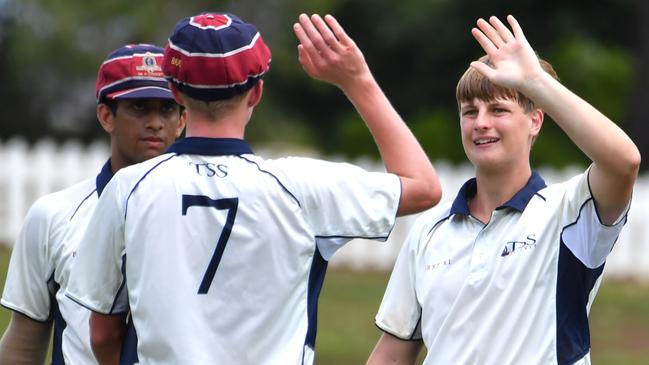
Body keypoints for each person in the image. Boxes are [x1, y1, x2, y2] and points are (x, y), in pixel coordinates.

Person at [64, 12, 441, 365]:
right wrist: (357, 81)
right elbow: (424, 187)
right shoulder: (300, 188)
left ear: (176, 94)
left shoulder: (128, 189)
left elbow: (102, 335)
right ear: (256, 93)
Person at [367, 14, 641, 365]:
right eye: (470, 111)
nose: (481, 122)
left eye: (498, 109)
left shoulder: (568, 212)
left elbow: (624, 162)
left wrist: (535, 82)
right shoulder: (429, 232)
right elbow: (391, 356)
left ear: (535, 121)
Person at [0, 43, 186, 365]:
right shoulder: (53, 215)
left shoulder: (204, 214)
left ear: (183, 119)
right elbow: (23, 346)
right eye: (140, 107)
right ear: (106, 116)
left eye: (167, 109)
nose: (156, 122)